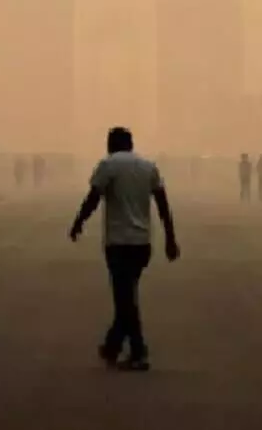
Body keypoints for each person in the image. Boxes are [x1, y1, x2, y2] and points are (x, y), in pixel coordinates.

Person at [69, 127, 179, 372]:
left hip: (118, 242)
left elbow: (93, 198)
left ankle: (138, 351)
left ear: (112, 144)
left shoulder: (108, 165)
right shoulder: (148, 167)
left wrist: (78, 222)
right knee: (127, 295)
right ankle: (112, 346)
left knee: (124, 298)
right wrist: (171, 238)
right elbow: (163, 204)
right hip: (142, 243)